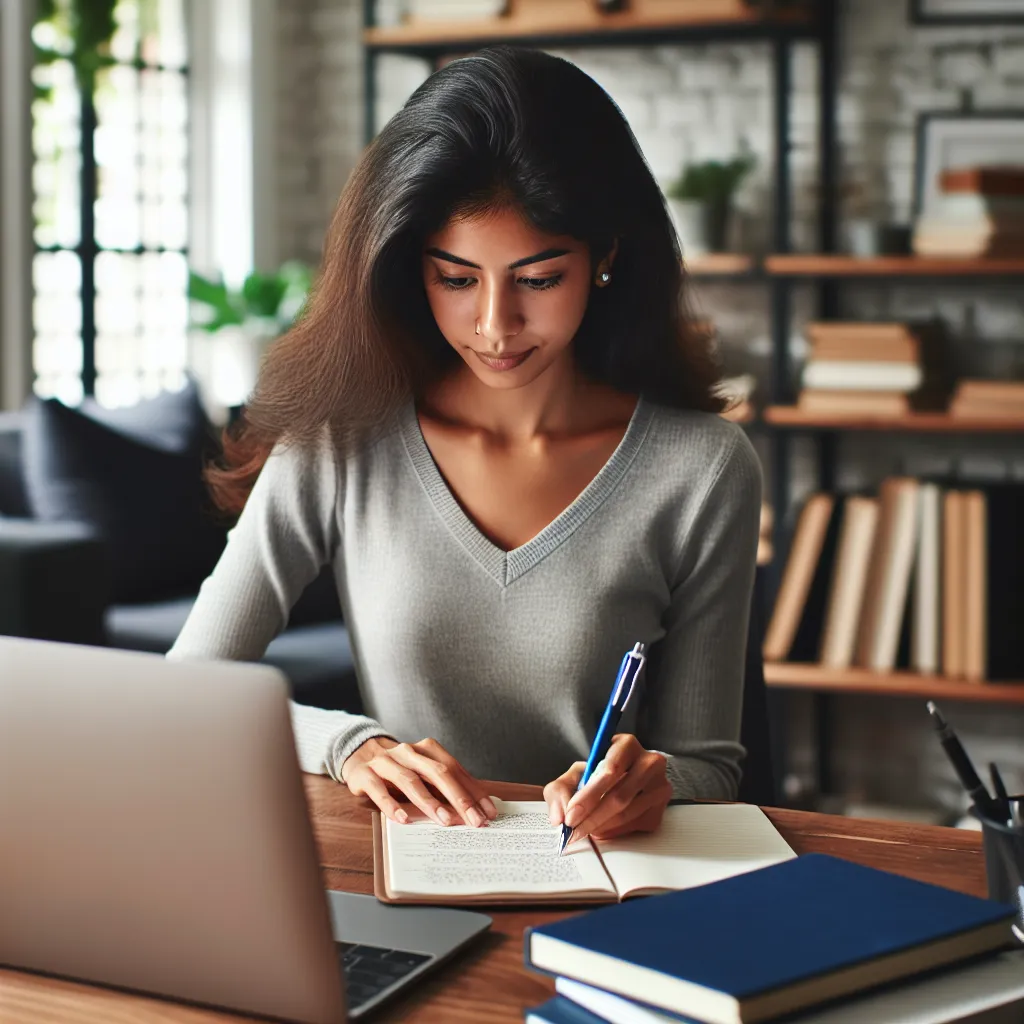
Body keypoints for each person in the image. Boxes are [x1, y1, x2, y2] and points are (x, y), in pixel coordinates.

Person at [168, 44, 761, 845]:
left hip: (603, 883)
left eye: (539, 279)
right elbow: (191, 687)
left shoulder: (702, 469)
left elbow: (708, 767)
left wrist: (651, 781)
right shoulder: (341, 441)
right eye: (455, 278)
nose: (494, 326)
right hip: (403, 872)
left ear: (608, 255)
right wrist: (349, 747)